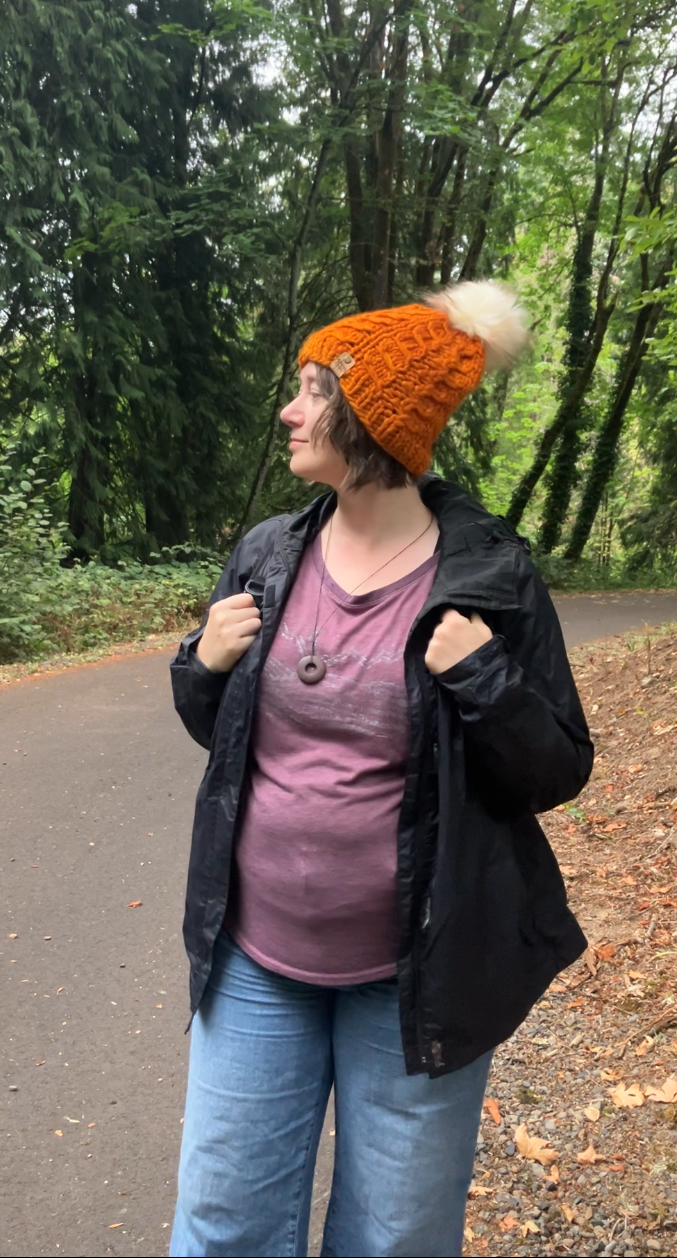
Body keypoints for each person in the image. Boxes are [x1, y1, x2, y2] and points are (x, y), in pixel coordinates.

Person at [168, 282, 592, 1258]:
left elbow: (557, 767)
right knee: (225, 1224)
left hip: (419, 976)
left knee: (394, 1238)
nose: (289, 410)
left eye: (313, 390)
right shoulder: (269, 553)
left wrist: (483, 677)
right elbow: (217, 732)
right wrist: (204, 665)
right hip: (255, 957)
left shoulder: (491, 576)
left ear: (371, 416)